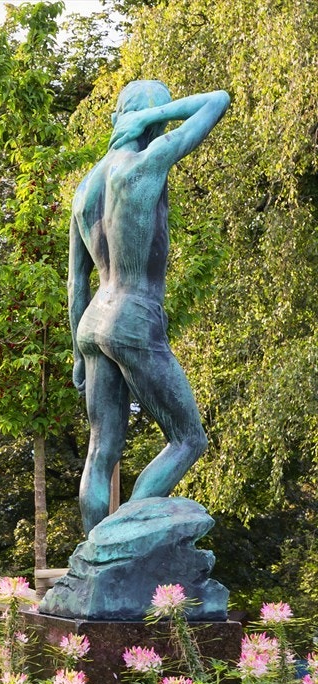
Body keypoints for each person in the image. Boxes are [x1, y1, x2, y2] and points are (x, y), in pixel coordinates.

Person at [68, 79, 229, 534]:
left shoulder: (85, 190)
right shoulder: (146, 162)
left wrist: (78, 353)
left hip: (92, 320)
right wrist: (152, 117)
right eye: (159, 116)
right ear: (151, 118)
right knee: (188, 439)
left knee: (101, 448)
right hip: (134, 315)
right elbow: (217, 100)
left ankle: (93, 558)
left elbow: (76, 280)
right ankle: (126, 539)